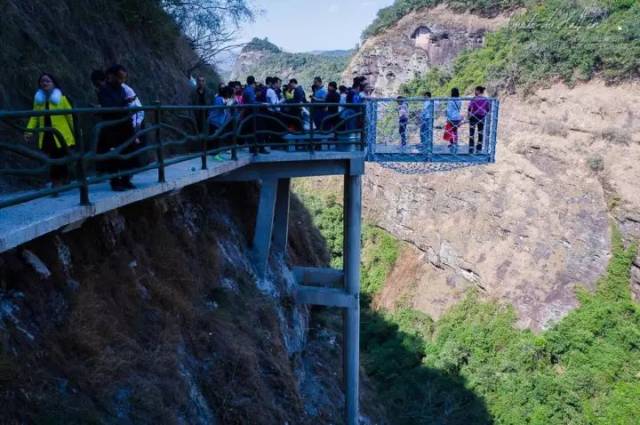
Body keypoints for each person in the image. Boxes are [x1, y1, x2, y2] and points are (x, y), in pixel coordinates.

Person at [24, 73, 75, 190]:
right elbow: (34, 117)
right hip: (46, 134)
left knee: (60, 156)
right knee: (54, 157)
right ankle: (57, 181)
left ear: (54, 83)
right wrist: (28, 132)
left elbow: (70, 117)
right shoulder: (39, 101)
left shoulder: (62, 99)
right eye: (42, 81)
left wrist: (76, 132)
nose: (45, 83)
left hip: (61, 134)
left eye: (48, 81)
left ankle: (61, 179)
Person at [97, 65, 138, 191]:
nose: (122, 80)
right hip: (112, 127)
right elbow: (108, 106)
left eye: (123, 78)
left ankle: (126, 180)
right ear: (112, 76)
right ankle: (115, 182)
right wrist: (125, 102)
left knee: (127, 152)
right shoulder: (104, 90)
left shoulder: (122, 89)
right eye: (120, 77)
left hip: (124, 125)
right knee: (114, 155)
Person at [208, 85, 232, 159]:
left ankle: (216, 154)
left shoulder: (222, 99)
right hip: (214, 121)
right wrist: (227, 104)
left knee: (217, 138)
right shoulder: (218, 99)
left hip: (218, 122)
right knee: (214, 138)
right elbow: (221, 108)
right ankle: (214, 155)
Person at [468, 85, 491, 154]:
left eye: (475, 90)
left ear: (478, 91)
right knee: (480, 133)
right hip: (481, 117)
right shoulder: (486, 99)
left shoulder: (474, 99)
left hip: (473, 116)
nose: (474, 92)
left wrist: (468, 116)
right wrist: (484, 114)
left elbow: (469, 108)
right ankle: (479, 148)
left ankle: (471, 148)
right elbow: (488, 109)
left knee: (472, 133)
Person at [444, 87, 462, 154]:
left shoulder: (450, 100)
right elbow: (459, 108)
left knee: (450, 131)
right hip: (457, 117)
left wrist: (447, 118)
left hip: (451, 117)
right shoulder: (459, 100)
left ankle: (451, 144)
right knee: (455, 131)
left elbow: (449, 110)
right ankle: (456, 143)